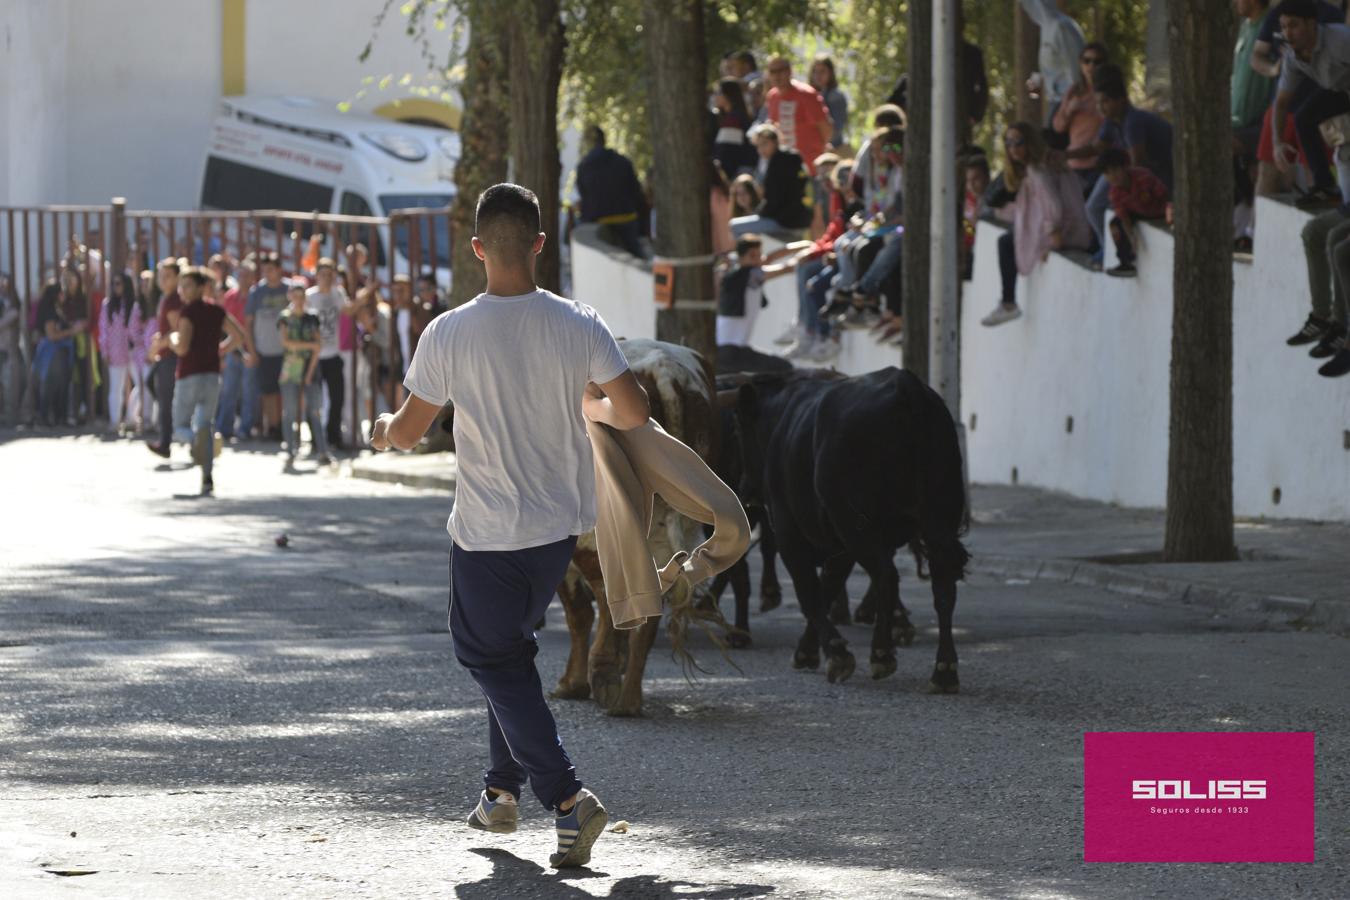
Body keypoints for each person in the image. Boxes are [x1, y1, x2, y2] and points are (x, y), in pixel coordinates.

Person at [371, 183, 649, 868]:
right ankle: (500, 794)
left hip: (487, 533)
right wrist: (591, 406)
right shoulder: (580, 322)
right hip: (557, 530)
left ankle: (567, 799)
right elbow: (635, 411)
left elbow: (407, 434)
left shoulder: (450, 331)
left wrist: (380, 429)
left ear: (475, 250)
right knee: (511, 655)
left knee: (486, 655)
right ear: (539, 243)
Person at [982, 122, 1092, 326]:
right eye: (1009, 143)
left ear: (1029, 143)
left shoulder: (1037, 169)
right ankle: (1008, 302)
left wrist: (1053, 233)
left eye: (1018, 142)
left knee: (1006, 243)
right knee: (1007, 241)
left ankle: (1008, 302)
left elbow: (1053, 204)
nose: (1013, 148)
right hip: (1068, 226)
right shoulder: (1044, 164)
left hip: (1062, 230)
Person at [171, 267, 253, 495]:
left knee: (180, 426)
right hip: (212, 375)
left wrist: (170, 341)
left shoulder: (188, 313)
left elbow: (183, 347)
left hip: (189, 374)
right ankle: (207, 476)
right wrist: (220, 350)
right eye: (182, 285)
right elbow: (239, 335)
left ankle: (195, 442)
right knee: (206, 425)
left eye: (187, 285)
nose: (183, 290)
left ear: (199, 287)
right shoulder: (216, 311)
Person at [1082, 65, 1173, 264]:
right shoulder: (1111, 122)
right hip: (1129, 176)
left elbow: (1136, 163)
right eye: (1098, 103)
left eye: (1105, 101)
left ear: (1121, 99)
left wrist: (1123, 193)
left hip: (1155, 181)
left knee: (1101, 207)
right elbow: (1097, 147)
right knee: (1096, 207)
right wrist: (1065, 155)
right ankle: (1109, 248)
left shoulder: (1133, 122)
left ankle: (1113, 251)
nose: (1101, 108)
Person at [1272, 0, 1350, 207]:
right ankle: (1325, 186)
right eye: (1283, 27)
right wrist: (1277, 142)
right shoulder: (1292, 58)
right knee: (1303, 118)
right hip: (1339, 90)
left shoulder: (1341, 40)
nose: (1288, 34)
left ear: (1312, 24)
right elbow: (1281, 103)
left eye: (1294, 25)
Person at [278, 281, 330, 469]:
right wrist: (308, 346)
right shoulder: (284, 317)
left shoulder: (312, 317)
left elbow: (318, 347)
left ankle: (322, 450)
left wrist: (309, 372)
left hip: (310, 369)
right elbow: (286, 343)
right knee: (290, 411)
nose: (298, 300)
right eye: (295, 296)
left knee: (314, 411)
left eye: (302, 296)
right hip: (290, 369)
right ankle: (290, 448)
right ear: (290, 296)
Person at [575, 125, 646, 259]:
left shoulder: (583, 166)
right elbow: (636, 192)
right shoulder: (623, 161)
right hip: (626, 218)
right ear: (604, 140)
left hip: (598, 220)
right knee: (637, 257)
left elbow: (584, 195)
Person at [1098, 147, 1169, 278]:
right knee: (1115, 223)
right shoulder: (1114, 193)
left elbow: (1165, 194)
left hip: (1159, 210)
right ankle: (1126, 262)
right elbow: (1123, 217)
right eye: (1107, 173)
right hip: (1138, 212)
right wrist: (1131, 237)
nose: (1112, 176)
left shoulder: (1143, 176)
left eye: (1115, 170)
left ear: (1125, 166)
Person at [730, 123, 812, 236]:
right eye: (758, 146)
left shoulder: (782, 162)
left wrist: (759, 212)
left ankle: (747, 254)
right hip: (793, 219)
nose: (761, 149)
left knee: (735, 226)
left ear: (775, 142)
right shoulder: (781, 159)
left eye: (765, 144)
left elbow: (775, 200)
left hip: (787, 221)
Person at [306, 258, 352, 450]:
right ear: (316, 276)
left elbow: (349, 310)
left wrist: (365, 294)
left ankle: (334, 436)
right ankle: (316, 438)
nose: (326, 278)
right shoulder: (309, 296)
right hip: (315, 356)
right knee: (314, 399)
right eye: (322, 275)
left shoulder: (338, 293)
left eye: (329, 275)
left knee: (337, 398)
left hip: (333, 353)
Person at [245, 252, 290, 441]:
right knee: (269, 392)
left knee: (289, 392)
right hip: (265, 350)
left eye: (270, 269)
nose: (267, 273)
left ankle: (289, 426)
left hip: (288, 351)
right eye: (264, 269)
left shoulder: (290, 289)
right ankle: (273, 427)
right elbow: (248, 324)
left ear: (279, 269)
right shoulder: (256, 292)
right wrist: (253, 351)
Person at [1018, 0, 1087, 122]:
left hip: (1068, 102)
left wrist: (1071, 102)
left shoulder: (1062, 26)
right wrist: (1038, 81)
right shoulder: (1045, 27)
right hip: (1055, 100)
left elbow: (1075, 67)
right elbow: (1052, 65)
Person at [763, 57, 832, 174]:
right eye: (772, 72)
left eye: (780, 70)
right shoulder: (772, 97)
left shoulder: (806, 94)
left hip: (811, 167)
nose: (776, 76)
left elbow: (826, 129)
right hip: (785, 167)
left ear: (790, 71)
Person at [1055, 42, 1109, 193]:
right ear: (1080, 63)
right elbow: (1058, 127)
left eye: (1097, 61)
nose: (1091, 66)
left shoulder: (1109, 92)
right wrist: (1069, 111)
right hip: (1074, 164)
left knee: (1093, 209)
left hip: (1100, 163)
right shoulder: (1074, 91)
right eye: (1087, 61)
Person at [98, 272, 147, 435]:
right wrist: (104, 350)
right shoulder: (107, 305)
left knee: (143, 384)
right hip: (116, 351)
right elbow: (103, 329)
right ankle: (115, 421)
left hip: (134, 351)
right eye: (113, 284)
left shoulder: (135, 305)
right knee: (116, 388)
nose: (115, 287)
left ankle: (132, 417)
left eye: (118, 283)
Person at [215, 259, 257, 441]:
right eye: (240, 274)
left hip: (251, 348)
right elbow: (221, 324)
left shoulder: (256, 296)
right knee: (228, 391)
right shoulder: (229, 297)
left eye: (247, 275)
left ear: (253, 278)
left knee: (249, 392)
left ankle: (245, 429)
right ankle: (224, 428)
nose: (243, 278)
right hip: (233, 348)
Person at [32, 282, 84, 427]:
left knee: (58, 387)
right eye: (61, 293)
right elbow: (52, 335)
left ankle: (57, 417)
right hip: (53, 356)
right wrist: (72, 331)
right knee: (52, 387)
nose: (64, 296)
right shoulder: (50, 312)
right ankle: (47, 418)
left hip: (57, 355)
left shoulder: (56, 310)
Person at [146, 259, 182, 456]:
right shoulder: (165, 298)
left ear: (177, 277)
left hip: (171, 356)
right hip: (164, 353)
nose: (163, 280)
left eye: (167, 276)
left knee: (166, 399)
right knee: (152, 384)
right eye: (160, 276)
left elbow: (178, 331)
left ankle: (166, 441)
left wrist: (160, 343)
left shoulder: (174, 300)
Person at [711, 78, 758, 178]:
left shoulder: (733, 120)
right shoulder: (734, 117)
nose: (714, 96)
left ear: (728, 95)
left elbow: (727, 153)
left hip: (738, 174)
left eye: (718, 92)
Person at [809, 54, 849, 148]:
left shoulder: (836, 96)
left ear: (830, 73)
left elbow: (836, 129)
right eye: (815, 71)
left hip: (832, 149)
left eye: (822, 71)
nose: (818, 75)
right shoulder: (810, 95)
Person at [1, 272, 25, 424]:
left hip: (10, 349)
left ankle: (12, 413)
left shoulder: (13, 307)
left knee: (11, 381)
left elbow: (8, 320)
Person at [710, 161, 735, 256]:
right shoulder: (723, 190)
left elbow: (720, 222)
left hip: (720, 246)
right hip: (728, 242)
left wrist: (724, 249)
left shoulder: (714, 194)